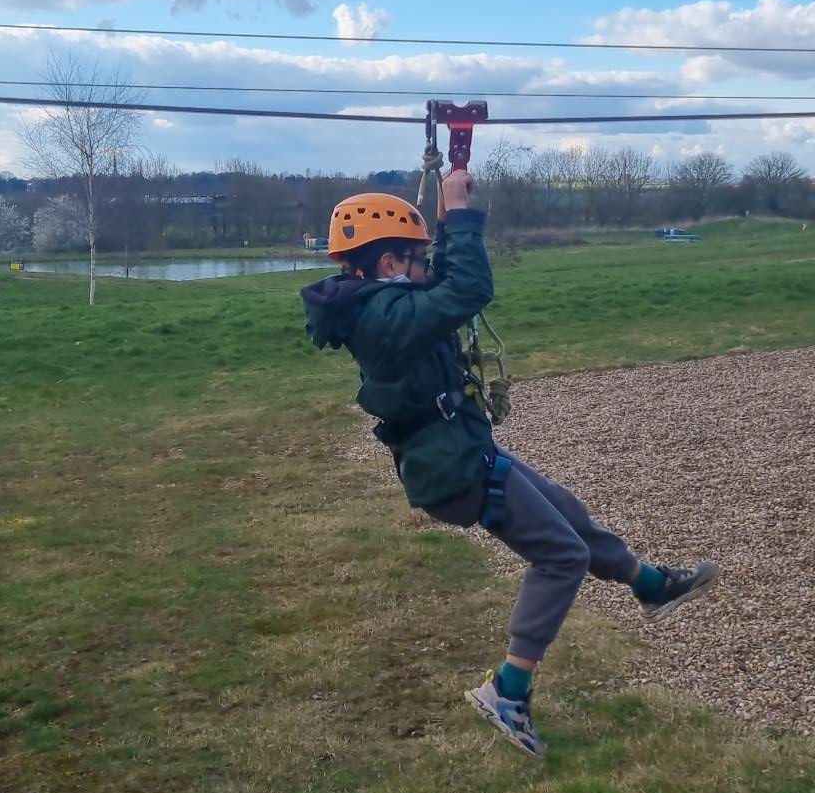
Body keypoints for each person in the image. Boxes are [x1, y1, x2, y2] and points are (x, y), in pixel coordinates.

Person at [301, 171, 719, 758]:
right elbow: (467, 291)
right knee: (562, 556)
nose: (426, 266)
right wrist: (461, 217)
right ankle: (508, 691)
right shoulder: (384, 317)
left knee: (567, 513)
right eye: (418, 258)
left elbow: (447, 282)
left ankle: (651, 586)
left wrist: (450, 224)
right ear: (390, 264)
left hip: (461, 450)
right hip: (454, 471)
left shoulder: (381, 301)